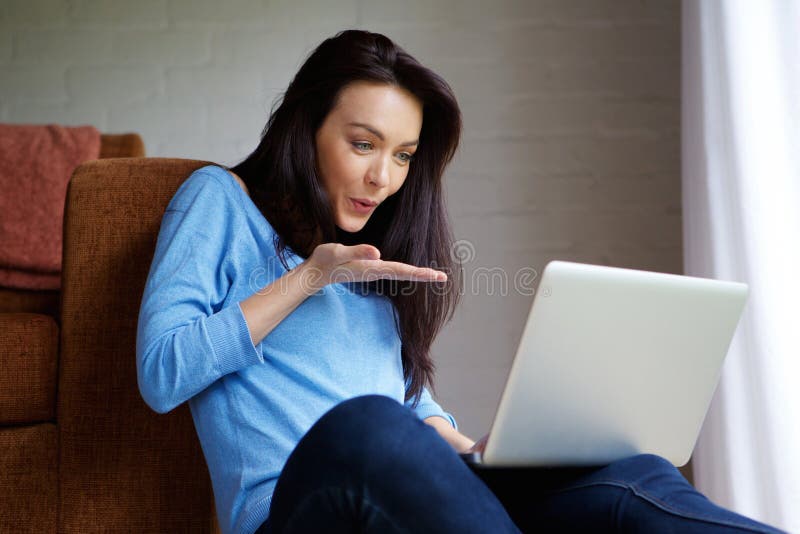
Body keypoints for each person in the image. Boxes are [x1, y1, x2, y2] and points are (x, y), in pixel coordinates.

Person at [136, 29, 785, 534]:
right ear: (306, 129)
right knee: (367, 426)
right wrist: (309, 277)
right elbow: (162, 372)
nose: (383, 179)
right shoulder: (219, 200)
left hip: (391, 483)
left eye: (402, 156)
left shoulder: (375, 257)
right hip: (299, 508)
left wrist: (475, 446)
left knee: (627, 474)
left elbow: (411, 409)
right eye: (364, 144)